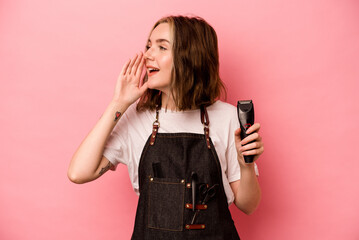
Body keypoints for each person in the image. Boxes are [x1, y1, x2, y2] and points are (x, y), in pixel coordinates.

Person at [68, 15, 264, 239]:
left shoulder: (228, 118)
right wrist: (118, 103)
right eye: (148, 46)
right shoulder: (135, 118)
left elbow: (249, 205)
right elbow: (78, 173)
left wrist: (245, 164)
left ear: (190, 56)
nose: (148, 55)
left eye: (162, 47)